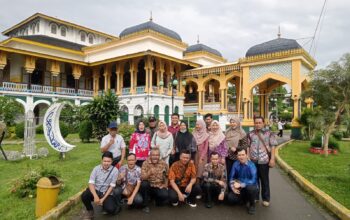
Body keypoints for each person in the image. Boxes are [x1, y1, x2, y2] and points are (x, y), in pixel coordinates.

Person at [247, 116, 278, 207]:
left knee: (264, 180)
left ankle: (266, 198)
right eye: (256, 123)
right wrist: (248, 156)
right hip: (253, 161)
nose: (258, 124)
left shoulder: (269, 133)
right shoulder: (250, 134)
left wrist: (272, 159)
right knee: (254, 180)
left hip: (264, 160)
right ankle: (256, 197)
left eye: (260, 122)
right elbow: (248, 146)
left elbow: (273, 146)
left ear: (263, 123)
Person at [81, 152, 120, 219]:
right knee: (84, 195)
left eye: (109, 161)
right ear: (101, 160)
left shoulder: (115, 170)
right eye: (104, 161)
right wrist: (95, 196)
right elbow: (91, 183)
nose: (106, 163)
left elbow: (112, 186)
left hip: (106, 192)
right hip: (96, 190)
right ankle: (90, 211)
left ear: (112, 161)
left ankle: (116, 206)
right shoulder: (96, 169)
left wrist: (103, 199)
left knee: (111, 209)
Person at [228, 147, 258, 215]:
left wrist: (242, 184)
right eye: (239, 155)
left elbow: (254, 180)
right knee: (230, 199)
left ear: (246, 155)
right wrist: (233, 188)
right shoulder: (235, 164)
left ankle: (252, 205)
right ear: (237, 156)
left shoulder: (252, 165)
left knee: (251, 188)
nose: (241, 157)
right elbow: (231, 178)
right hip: (240, 188)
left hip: (249, 187)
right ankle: (244, 199)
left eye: (243, 155)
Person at [140, 148, 169, 213]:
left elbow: (167, 175)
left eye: (157, 155)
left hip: (158, 186)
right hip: (148, 186)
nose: (155, 157)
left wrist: (165, 184)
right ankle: (145, 206)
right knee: (144, 184)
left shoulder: (163, 163)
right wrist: (149, 173)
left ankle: (155, 200)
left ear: (159, 156)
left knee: (165, 195)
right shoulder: (145, 163)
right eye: (153, 155)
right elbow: (142, 177)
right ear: (150, 155)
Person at [225, 118, 248, 187]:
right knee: (229, 174)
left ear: (238, 123)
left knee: (238, 174)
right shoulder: (227, 131)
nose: (232, 124)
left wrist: (236, 148)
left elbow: (245, 145)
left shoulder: (242, 132)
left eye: (234, 122)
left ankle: (238, 190)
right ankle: (230, 190)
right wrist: (228, 148)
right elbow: (224, 143)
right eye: (231, 122)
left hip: (238, 157)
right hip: (228, 156)